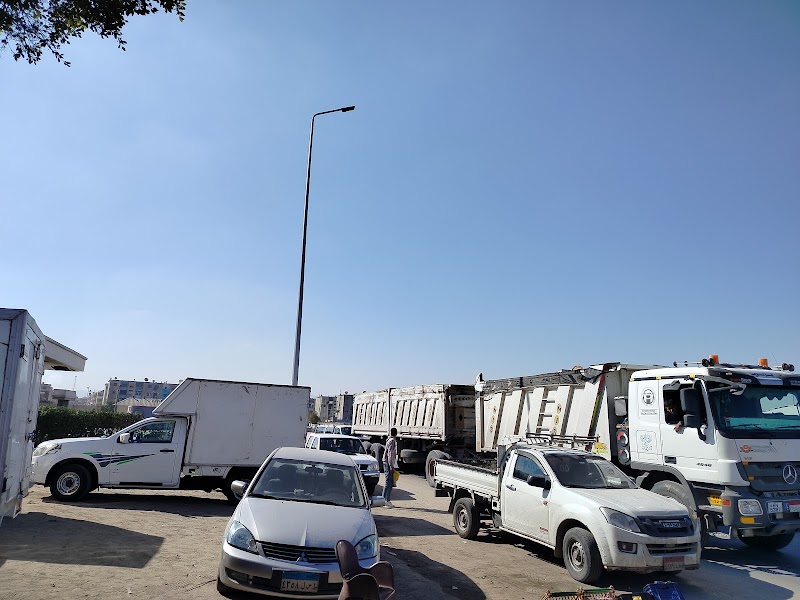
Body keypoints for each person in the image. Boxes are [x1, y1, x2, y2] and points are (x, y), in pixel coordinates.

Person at [382, 428, 398, 507]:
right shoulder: (392, 441)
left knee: (388, 482)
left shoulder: (389, 440)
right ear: (396, 434)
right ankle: (386, 500)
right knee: (389, 482)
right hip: (388, 464)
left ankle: (384, 500)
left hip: (386, 463)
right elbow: (390, 454)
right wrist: (391, 465)